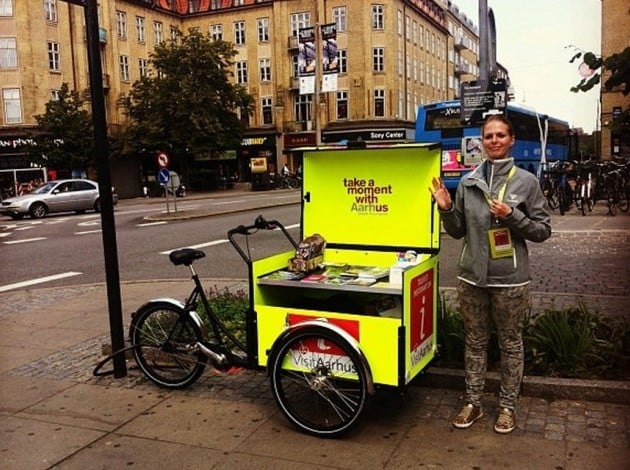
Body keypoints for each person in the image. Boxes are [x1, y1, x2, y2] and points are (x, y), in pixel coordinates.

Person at [429, 114, 551, 434]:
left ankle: (508, 406)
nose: (494, 140)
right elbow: (457, 232)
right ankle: (473, 402)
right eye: (488, 136)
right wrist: (445, 208)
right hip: (472, 278)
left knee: (511, 343)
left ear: (511, 140)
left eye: (500, 135)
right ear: (480, 142)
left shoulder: (526, 182)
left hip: (510, 280)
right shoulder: (469, 183)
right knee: (475, 342)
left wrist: (513, 216)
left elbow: (542, 231)